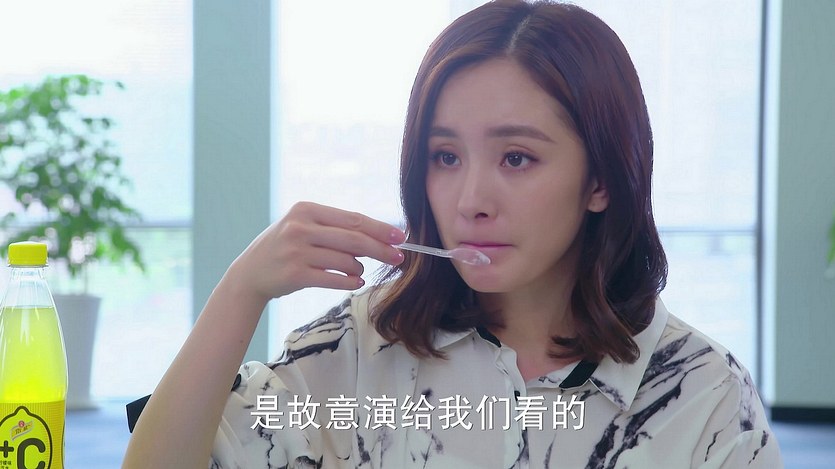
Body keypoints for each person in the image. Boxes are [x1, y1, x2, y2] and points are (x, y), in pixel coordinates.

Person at [123, 1, 782, 467]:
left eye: (516, 158)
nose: (469, 201)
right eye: (445, 157)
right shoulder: (363, 346)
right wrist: (240, 291)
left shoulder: (701, 391)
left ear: (601, 180)